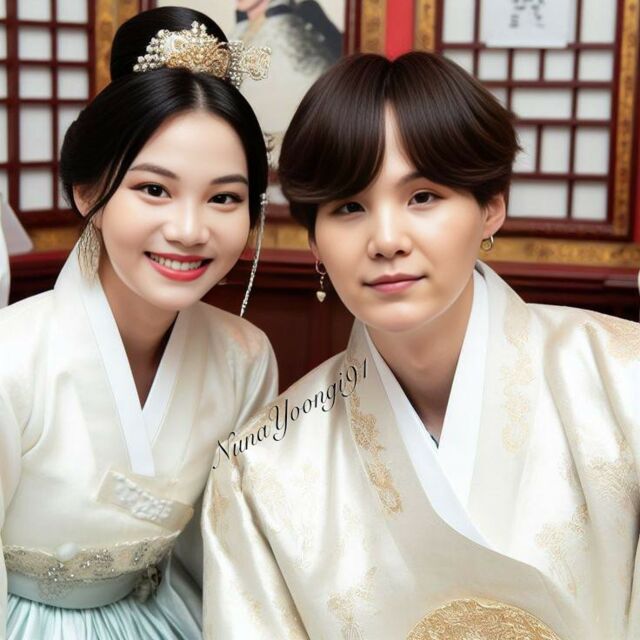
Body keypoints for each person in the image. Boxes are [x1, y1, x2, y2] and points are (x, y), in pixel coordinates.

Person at [201, 52, 640, 639]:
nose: (386, 240)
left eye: (423, 196)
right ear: (315, 244)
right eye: (349, 207)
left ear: (491, 208)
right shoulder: (260, 464)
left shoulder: (624, 381)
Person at [0, 6, 277, 639]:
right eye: (154, 189)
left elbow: (229, 551)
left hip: (166, 615)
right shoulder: (10, 359)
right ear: (88, 194)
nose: (189, 229)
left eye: (224, 197)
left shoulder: (244, 357)